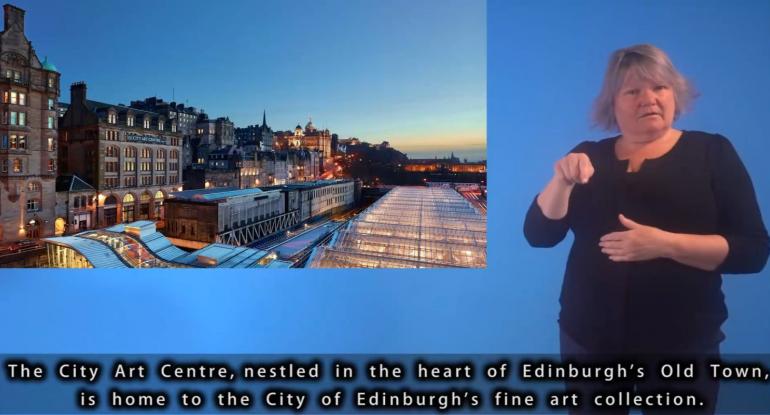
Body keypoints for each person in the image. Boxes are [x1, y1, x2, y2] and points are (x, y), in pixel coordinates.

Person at [523, 44, 769, 414]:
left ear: (675, 94)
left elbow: (753, 251)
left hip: (682, 345)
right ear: (613, 103)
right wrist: (561, 181)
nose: (648, 99)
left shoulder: (712, 153)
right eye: (633, 91)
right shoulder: (590, 154)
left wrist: (664, 244)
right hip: (590, 340)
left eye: (660, 87)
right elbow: (540, 235)